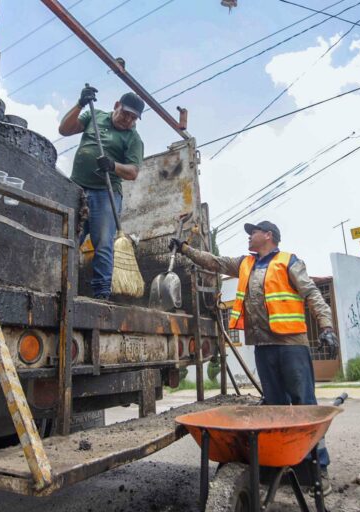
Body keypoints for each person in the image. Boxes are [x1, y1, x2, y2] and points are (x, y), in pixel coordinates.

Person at [170, 220, 340, 493]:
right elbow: (214, 262)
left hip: (291, 345)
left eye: (254, 233)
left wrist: (327, 327)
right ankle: (282, 466)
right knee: (274, 408)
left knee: (305, 406)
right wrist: (185, 249)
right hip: (264, 347)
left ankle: (318, 469)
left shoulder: (289, 261)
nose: (249, 237)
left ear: (269, 235)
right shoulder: (245, 264)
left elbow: (312, 294)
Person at [58, 86, 145, 300]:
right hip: (76, 189)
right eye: (125, 113)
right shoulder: (95, 116)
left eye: (133, 118)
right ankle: (59, 285)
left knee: (103, 243)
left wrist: (113, 165)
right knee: (67, 239)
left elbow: (133, 172)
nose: (127, 120)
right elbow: (64, 130)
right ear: (116, 105)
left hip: (105, 194)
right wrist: (80, 103)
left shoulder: (134, 139)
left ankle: (101, 294)